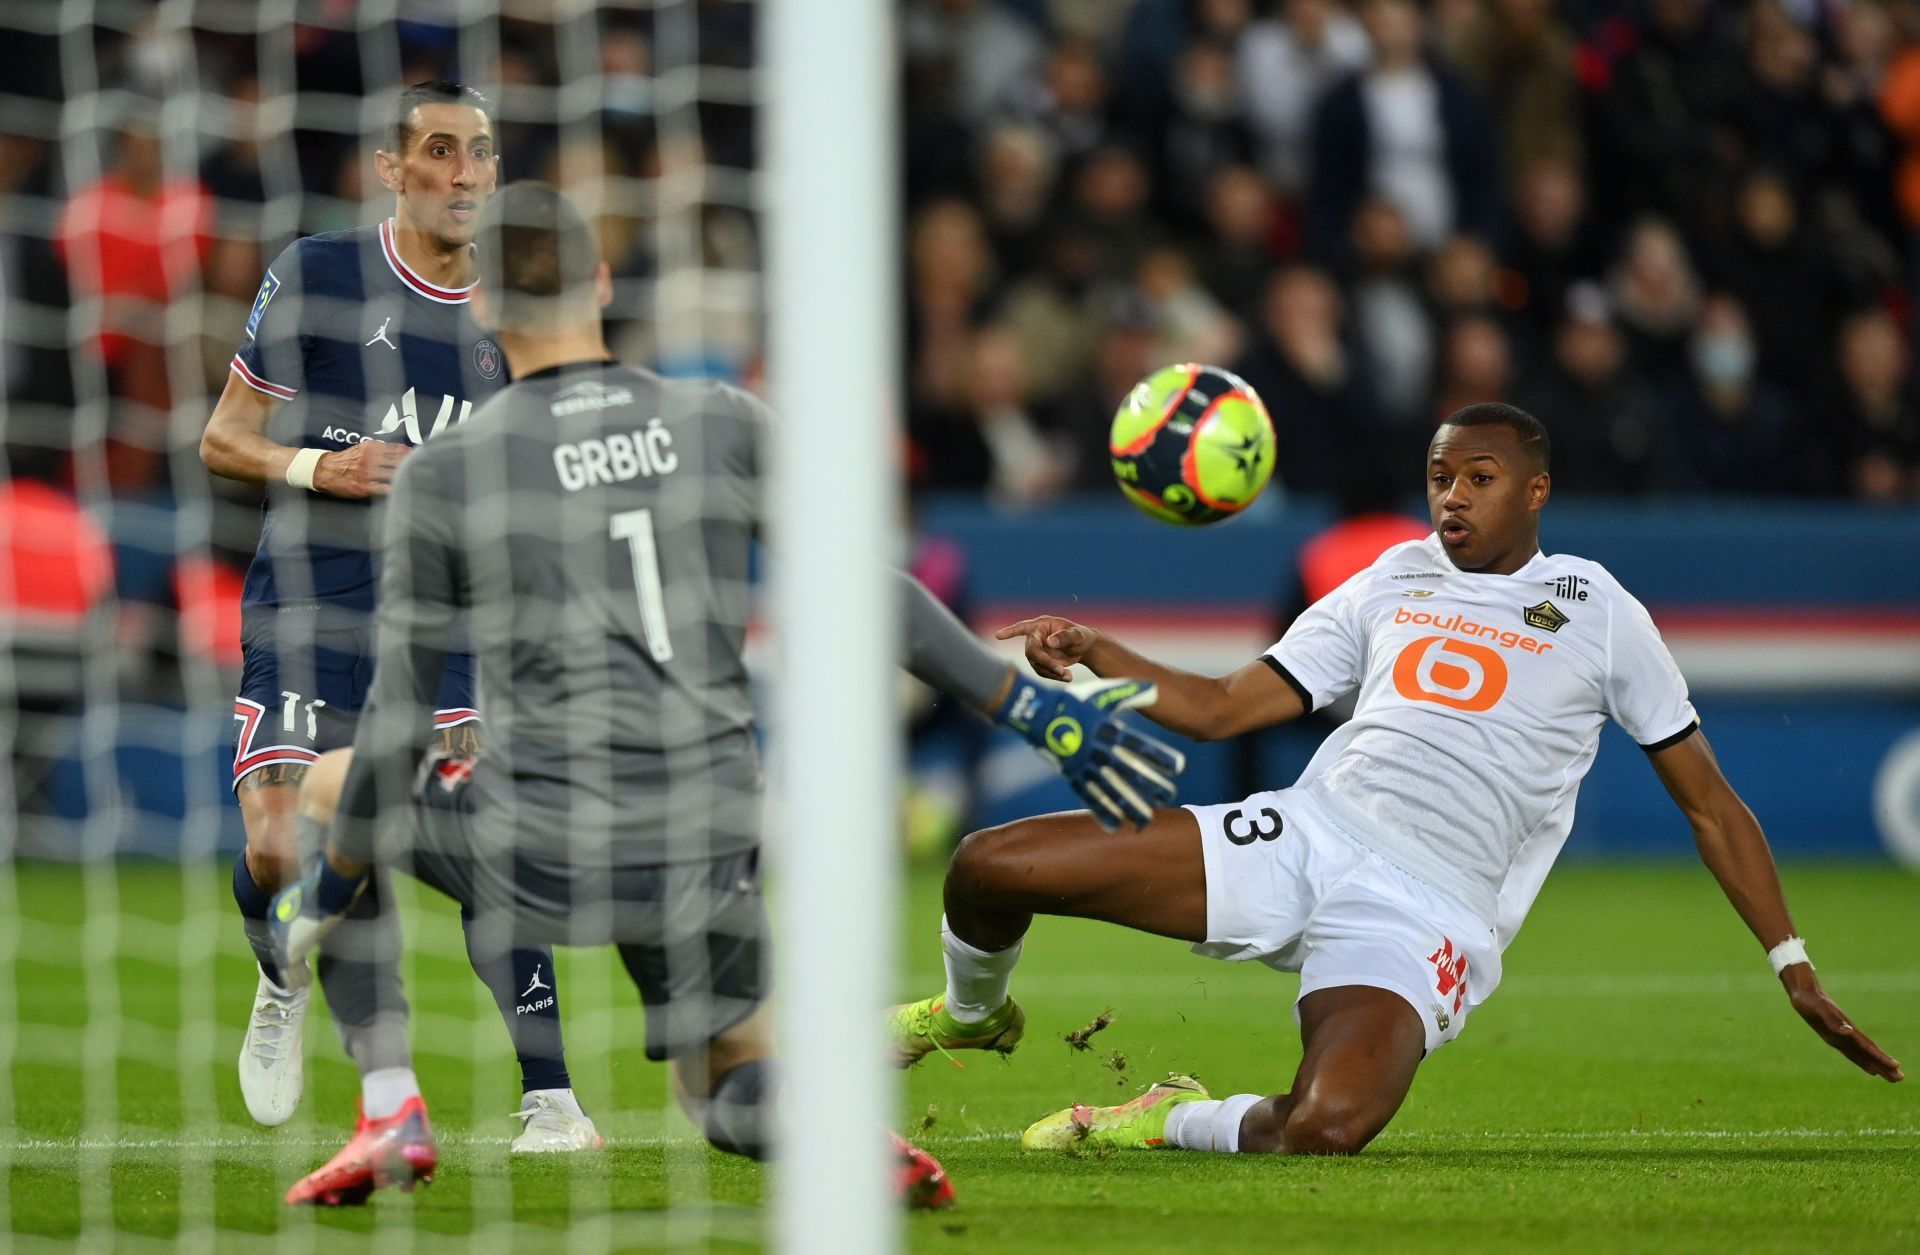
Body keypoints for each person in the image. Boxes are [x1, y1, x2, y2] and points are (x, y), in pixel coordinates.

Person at [266, 182, 1183, 1204]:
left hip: (543, 830)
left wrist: (336, 882)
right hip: (707, 830)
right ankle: (837, 1137)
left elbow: (398, 725)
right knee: (731, 1090)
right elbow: (866, 589)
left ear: (482, 308)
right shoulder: (721, 420)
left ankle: (391, 1107)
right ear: (603, 282)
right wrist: (1031, 705)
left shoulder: (451, 470)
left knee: (328, 784)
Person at [887, 401, 1903, 1157]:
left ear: (1536, 491)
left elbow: (1710, 804)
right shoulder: (1392, 578)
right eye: (1440, 476)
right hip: (1306, 835)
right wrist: (1097, 644)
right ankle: (971, 1011)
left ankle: (1163, 1116)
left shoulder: (1599, 609)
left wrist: (1793, 962)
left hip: (1428, 911)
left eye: (1480, 478)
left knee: (1323, 1127)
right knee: (989, 866)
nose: (1453, 496)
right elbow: (1225, 706)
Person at [197, 81, 593, 1150]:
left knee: (487, 840)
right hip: (309, 601)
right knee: (281, 849)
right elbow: (223, 438)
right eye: (438, 151)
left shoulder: (520, 309)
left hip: (448, 624)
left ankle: (550, 1097)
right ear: (391, 167)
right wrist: (323, 467)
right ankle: (283, 969)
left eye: (481, 154)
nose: (464, 174)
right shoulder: (320, 271)